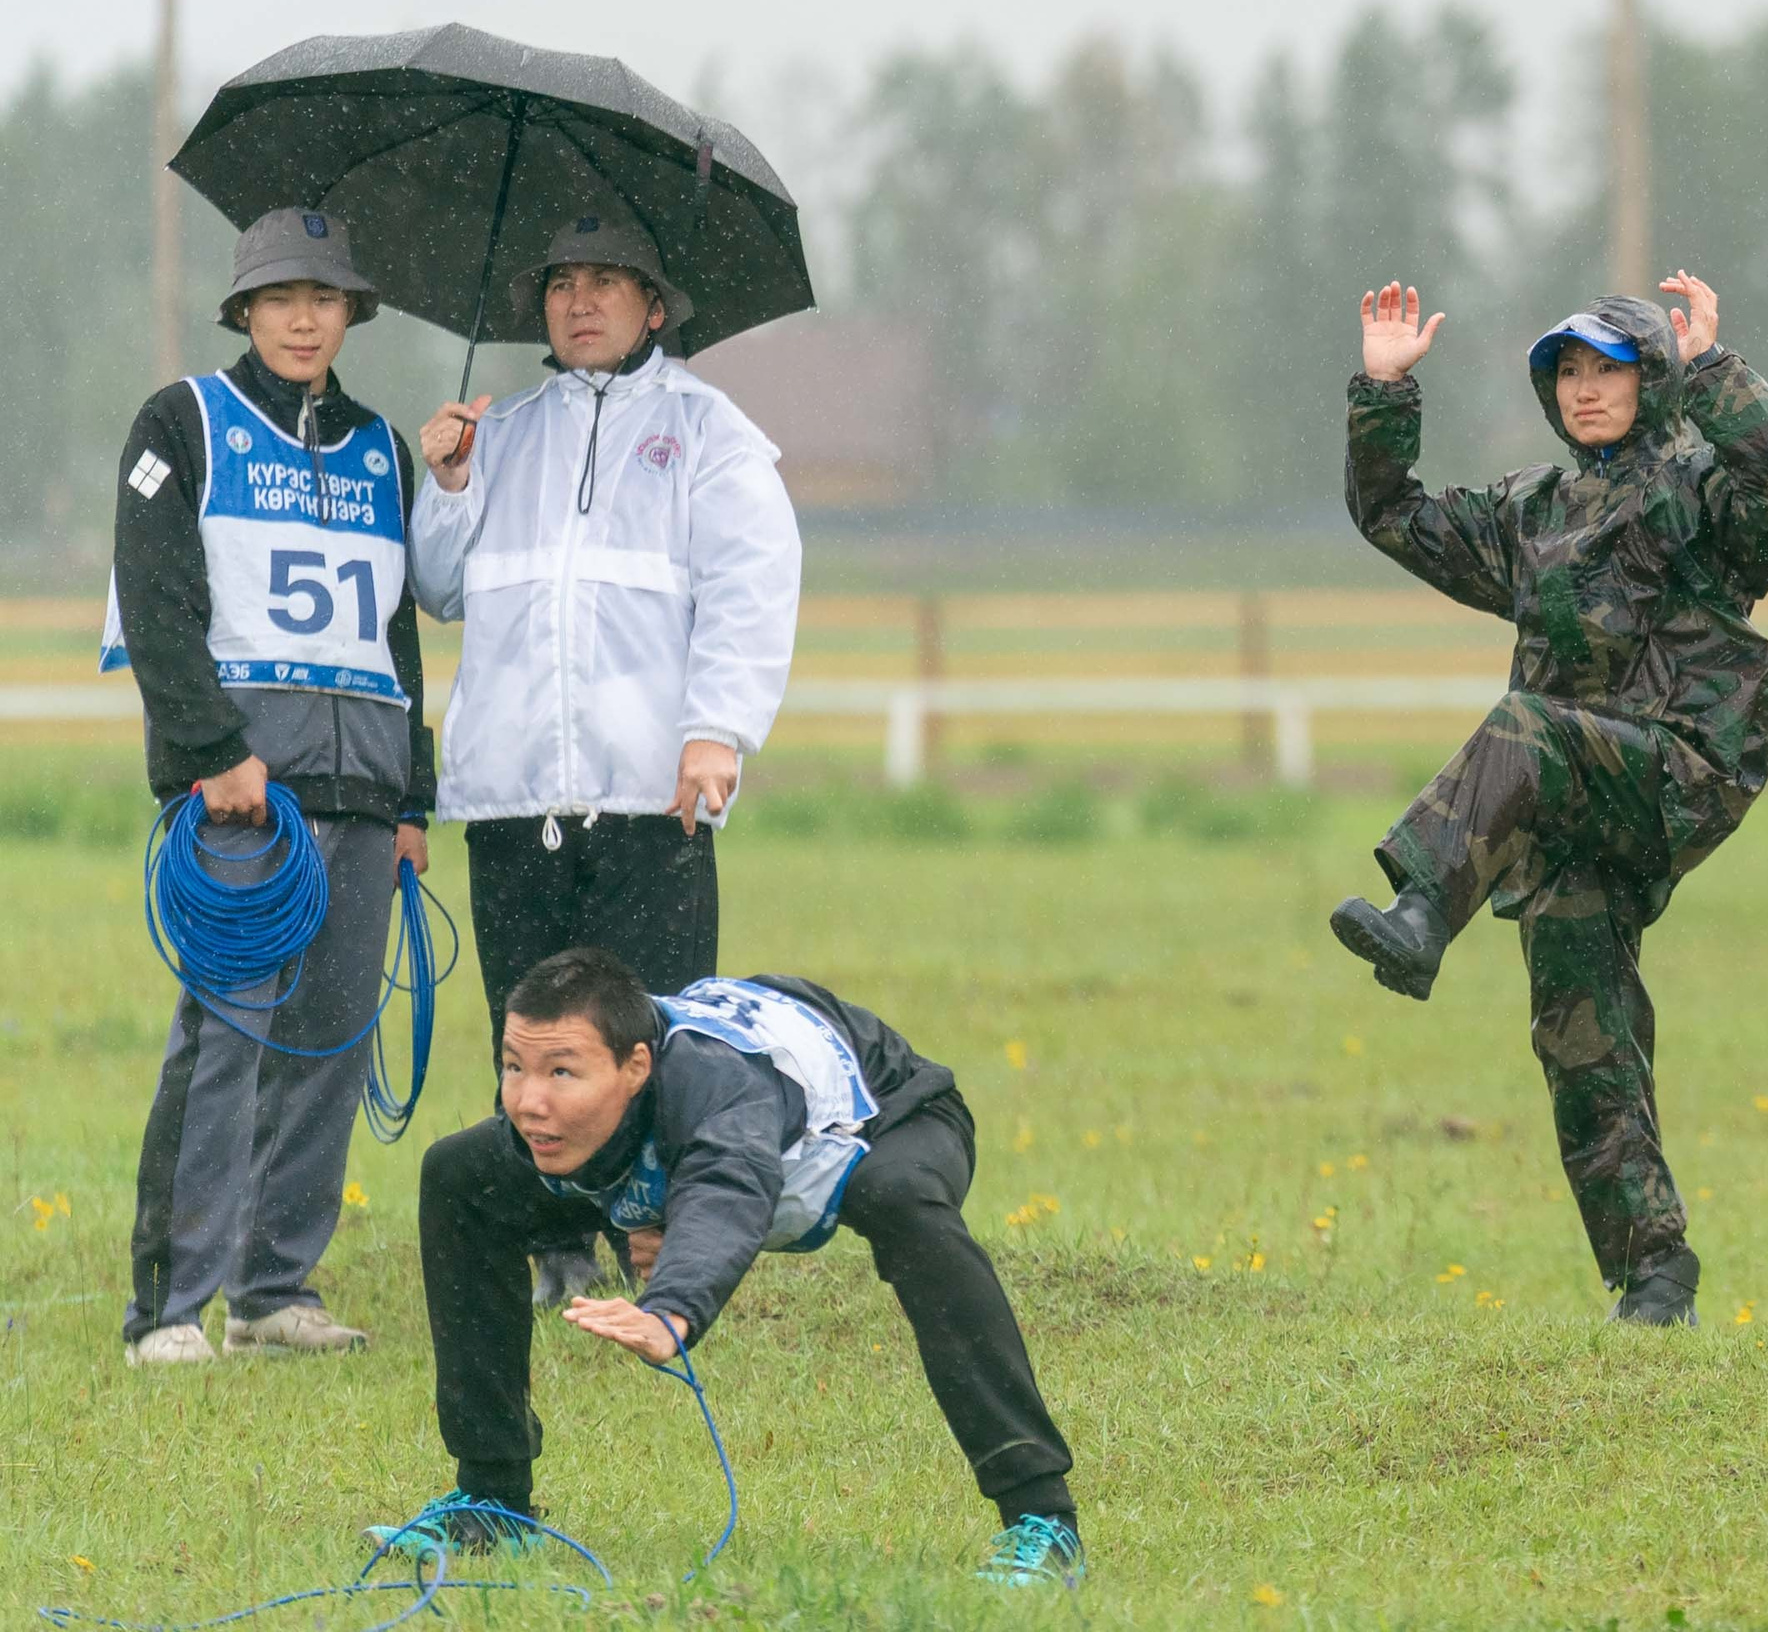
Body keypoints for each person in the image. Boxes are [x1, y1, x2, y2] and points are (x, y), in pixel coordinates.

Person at [1327, 274, 1768, 1327]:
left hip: (1681, 769)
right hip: (1563, 806)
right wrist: (1383, 395)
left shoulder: (1697, 497)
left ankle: (1420, 909)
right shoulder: (1529, 512)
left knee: (1525, 722)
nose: (1587, 391)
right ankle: (1654, 1275)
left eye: (1612, 369)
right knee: (1582, 1033)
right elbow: (1392, 516)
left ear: (1654, 382)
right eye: (1569, 373)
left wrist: (1711, 369)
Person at [366, 947, 1084, 1588]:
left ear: (636, 1065)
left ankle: (1042, 1517)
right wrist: (638, 1216)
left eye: (561, 1071)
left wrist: (670, 1305)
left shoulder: (717, 1089)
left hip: (887, 1121)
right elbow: (641, 1165)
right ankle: (492, 1500)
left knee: (903, 1204)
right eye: (515, 1066)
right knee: (459, 1173)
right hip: (710, 1133)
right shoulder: (556, 1106)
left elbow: (727, 1187)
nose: (528, 1099)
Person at [409, 213, 802, 1302]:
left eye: (608, 282)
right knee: (532, 1041)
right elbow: (436, 588)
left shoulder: (712, 434)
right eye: (562, 282)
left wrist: (717, 728)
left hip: (649, 797)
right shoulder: (505, 430)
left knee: (653, 1033)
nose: (580, 302)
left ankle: (663, 1241)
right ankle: (549, 1246)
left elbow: (750, 590)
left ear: (656, 304)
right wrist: (443, 486)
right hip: (511, 794)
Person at [105, 207, 436, 1367]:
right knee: (228, 1037)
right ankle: (169, 1308)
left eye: (327, 297)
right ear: (245, 308)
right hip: (246, 794)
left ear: (351, 313)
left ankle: (271, 1293)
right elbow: (156, 602)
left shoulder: (385, 449)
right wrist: (208, 751)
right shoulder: (183, 424)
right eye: (283, 297)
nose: (305, 318)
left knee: (331, 1042)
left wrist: (413, 800)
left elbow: (396, 631)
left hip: (362, 792)